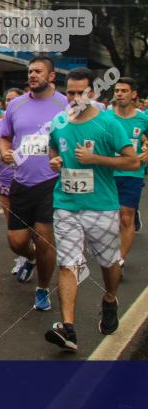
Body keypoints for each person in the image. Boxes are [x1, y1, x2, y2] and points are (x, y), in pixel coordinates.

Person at [45, 68, 139, 351]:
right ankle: (68, 328)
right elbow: (52, 150)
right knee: (67, 263)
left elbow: (132, 162)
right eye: (70, 93)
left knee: (109, 264)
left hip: (101, 205)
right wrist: (55, 162)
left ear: (93, 94)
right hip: (66, 204)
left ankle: (110, 298)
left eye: (80, 93)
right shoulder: (59, 122)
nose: (74, 98)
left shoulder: (109, 124)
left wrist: (96, 158)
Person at [0, 56, 67, 310]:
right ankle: (31, 259)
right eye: (30, 71)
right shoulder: (15, 105)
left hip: (51, 182)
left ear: (51, 76)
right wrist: (5, 151)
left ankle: (42, 288)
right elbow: (5, 137)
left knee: (44, 238)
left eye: (38, 71)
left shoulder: (65, 104)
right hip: (21, 180)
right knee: (16, 242)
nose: (32, 75)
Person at [108, 78, 148, 270]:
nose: (119, 94)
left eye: (124, 90)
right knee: (108, 218)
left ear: (133, 95)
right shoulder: (106, 117)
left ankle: (120, 260)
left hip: (132, 172)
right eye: (117, 90)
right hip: (107, 172)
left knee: (125, 217)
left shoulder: (143, 119)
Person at [0, 88, 25, 274]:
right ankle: (23, 256)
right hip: (4, 179)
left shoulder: (29, 123)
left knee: (30, 222)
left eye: (14, 99)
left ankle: (34, 253)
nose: (10, 102)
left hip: (27, 180)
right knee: (13, 224)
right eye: (8, 99)